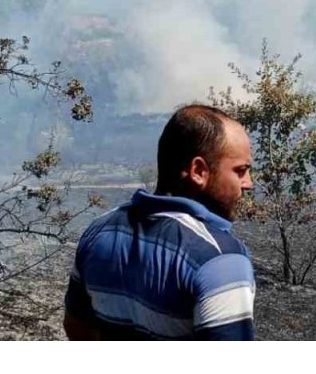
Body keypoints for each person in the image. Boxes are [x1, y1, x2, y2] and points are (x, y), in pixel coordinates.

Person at [64, 104, 256, 340]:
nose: (249, 183)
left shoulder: (99, 231)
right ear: (198, 171)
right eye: (241, 170)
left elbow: (77, 328)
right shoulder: (220, 260)